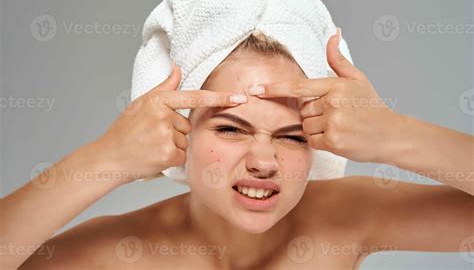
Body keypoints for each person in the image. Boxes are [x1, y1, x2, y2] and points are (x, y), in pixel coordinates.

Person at [2, 29, 472, 269]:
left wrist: (395, 135)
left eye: (292, 137)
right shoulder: (118, 252)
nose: (263, 163)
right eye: (231, 129)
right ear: (181, 132)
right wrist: (105, 158)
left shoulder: (348, 215)